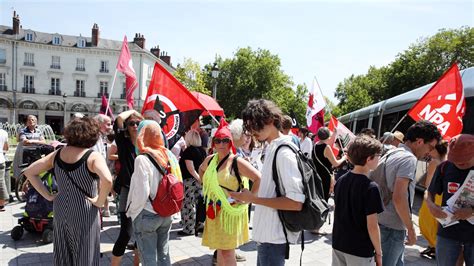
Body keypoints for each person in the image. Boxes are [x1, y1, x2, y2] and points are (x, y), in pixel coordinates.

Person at [24, 117, 112, 265]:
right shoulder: (92, 156)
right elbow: (108, 180)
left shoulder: (57, 154)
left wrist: (48, 195)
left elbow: (29, 171)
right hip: (84, 210)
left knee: (63, 254)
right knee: (86, 255)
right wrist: (99, 201)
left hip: (60, 207)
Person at [230, 99, 305, 266]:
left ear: (270, 120)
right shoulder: (272, 147)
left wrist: (253, 199)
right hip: (268, 236)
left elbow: (295, 202)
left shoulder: (284, 152)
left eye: (254, 125)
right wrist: (249, 197)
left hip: (274, 238)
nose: (251, 131)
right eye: (248, 127)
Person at [378, 120, 441, 266]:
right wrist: (411, 229)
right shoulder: (409, 159)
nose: (430, 152)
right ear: (419, 142)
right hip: (393, 227)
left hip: (382, 220)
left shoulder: (392, 151)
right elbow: (400, 198)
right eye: (430, 147)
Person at [199, 118, 260, 266]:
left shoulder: (237, 162)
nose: (221, 144)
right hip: (215, 211)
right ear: (213, 142)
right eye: (217, 140)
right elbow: (201, 170)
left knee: (227, 252)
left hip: (230, 214)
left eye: (225, 140)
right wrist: (207, 186)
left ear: (230, 142)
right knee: (220, 250)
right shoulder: (210, 159)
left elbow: (258, 178)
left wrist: (248, 198)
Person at [126, 120, 181, 265]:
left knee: (148, 258)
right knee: (163, 254)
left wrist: (132, 212)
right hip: (166, 213)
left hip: (147, 214)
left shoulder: (142, 159)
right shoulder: (169, 155)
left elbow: (141, 192)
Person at [332, 136, 384, 266]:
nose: (380, 158)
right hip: (359, 249)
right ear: (369, 159)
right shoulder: (371, 188)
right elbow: (372, 226)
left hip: (339, 243)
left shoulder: (341, 180)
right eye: (378, 155)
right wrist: (379, 252)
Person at [425, 134, 474, 266]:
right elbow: (429, 192)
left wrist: (472, 211)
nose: (459, 164)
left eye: (464, 161)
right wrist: (431, 205)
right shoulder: (444, 167)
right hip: (448, 233)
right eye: (456, 160)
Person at [111, 110, 144, 266]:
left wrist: (140, 119)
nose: (135, 126)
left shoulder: (146, 144)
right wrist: (134, 112)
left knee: (141, 233)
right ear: (127, 126)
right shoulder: (123, 143)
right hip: (126, 189)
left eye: (138, 123)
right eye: (131, 123)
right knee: (126, 233)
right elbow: (118, 119)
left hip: (143, 192)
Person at [418, 140, 448, 259]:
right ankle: (436, 246)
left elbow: (428, 183)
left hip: (432, 195)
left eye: (432, 149)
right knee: (436, 222)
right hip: (441, 196)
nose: (429, 151)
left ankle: (433, 245)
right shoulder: (446, 162)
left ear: (437, 150)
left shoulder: (434, 162)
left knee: (425, 220)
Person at [178, 129, 207, 236]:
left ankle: (188, 229)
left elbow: (191, 169)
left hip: (190, 181)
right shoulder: (203, 151)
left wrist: (198, 178)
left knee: (188, 205)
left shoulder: (188, 151)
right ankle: (198, 225)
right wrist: (201, 179)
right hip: (200, 180)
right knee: (199, 204)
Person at [313, 127, 346, 202]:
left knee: (319, 198)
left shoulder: (316, 145)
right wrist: (344, 158)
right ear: (328, 136)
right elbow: (336, 163)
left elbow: (328, 143)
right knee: (324, 198)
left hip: (317, 175)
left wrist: (334, 134)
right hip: (325, 177)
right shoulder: (326, 147)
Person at [13, 115, 46, 181]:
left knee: (35, 170)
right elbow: (25, 142)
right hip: (24, 153)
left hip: (35, 153)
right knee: (23, 170)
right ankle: (22, 187)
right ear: (26, 122)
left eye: (33, 120)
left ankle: (32, 187)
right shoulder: (22, 130)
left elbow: (44, 142)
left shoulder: (39, 131)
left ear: (36, 122)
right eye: (29, 120)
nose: (31, 121)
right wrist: (38, 141)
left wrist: (31, 141)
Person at [92, 114, 113, 217]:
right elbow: (94, 156)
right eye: (108, 124)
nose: (110, 127)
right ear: (98, 124)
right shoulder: (93, 137)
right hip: (94, 173)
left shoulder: (100, 136)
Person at [0, 128, 9, 211]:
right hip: (1, 160)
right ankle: (2, 204)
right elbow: (6, 148)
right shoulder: (4, 132)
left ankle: (2, 204)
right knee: (1, 182)